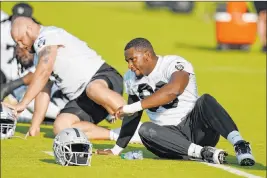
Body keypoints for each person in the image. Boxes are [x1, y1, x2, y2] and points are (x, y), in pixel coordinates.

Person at [96, 38, 255, 166]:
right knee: (145, 130)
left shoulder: (172, 63)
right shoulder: (130, 78)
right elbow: (133, 116)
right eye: (127, 61)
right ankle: (203, 153)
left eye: (132, 59)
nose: (129, 65)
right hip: (168, 138)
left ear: (147, 55)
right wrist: (117, 149)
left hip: (196, 128)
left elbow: (174, 90)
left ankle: (240, 144)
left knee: (205, 100)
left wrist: (133, 107)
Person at [6, 16, 142, 143]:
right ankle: (120, 134)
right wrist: (35, 125)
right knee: (61, 127)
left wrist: (23, 103)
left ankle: (139, 126)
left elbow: (44, 71)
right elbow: (43, 89)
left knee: (93, 89)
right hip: (82, 98)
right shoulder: (38, 56)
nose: (20, 45)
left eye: (20, 39)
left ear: (29, 29)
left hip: (103, 78)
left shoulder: (48, 35)